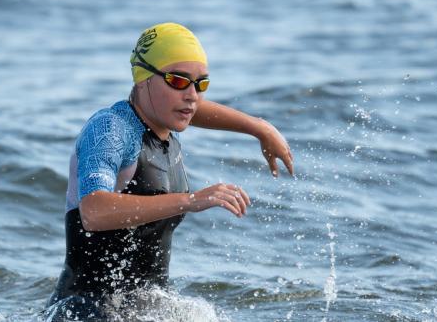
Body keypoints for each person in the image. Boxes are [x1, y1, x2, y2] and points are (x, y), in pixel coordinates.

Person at [45, 22, 293, 320]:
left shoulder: (164, 130)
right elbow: (94, 211)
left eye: (201, 84)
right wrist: (191, 200)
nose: (191, 95)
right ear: (143, 77)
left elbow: (195, 108)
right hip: (84, 312)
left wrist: (260, 128)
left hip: (146, 311)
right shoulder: (111, 130)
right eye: (178, 81)